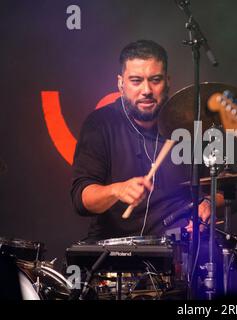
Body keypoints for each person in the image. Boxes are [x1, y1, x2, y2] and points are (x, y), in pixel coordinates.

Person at [71, 40, 218, 241]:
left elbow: (231, 188)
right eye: (136, 80)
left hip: (178, 248)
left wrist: (209, 202)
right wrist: (117, 190)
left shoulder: (190, 124)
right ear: (121, 84)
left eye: (155, 80)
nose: (146, 90)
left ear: (168, 81)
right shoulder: (100, 123)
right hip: (113, 253)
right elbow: (82, 199)